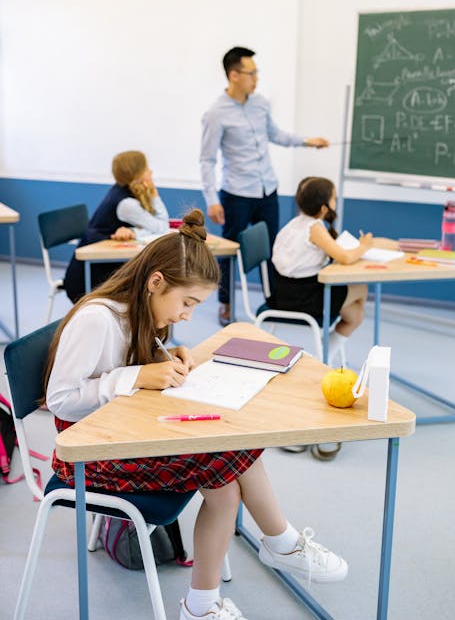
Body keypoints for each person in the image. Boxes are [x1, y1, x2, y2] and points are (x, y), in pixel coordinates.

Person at [44, 209, 348, 620]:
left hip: (124, 428)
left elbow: (125, 368)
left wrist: (165, 356)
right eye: (186, 303)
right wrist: (137, 375)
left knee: (233, 450)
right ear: (155, 282)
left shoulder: (139, 309)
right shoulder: (99, 318)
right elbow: (60, 400)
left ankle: (216, 593)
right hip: (87, 453)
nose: (187, 314)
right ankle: (277, 546)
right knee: (225, 476)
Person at [200, 46, 329, 327]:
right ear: (234, 75)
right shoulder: (215, 113)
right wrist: (211, 198)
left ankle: (276, 301)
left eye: (257, 73)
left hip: (266, 189)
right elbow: (207, 159)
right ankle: (226, 303)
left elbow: (275, 134)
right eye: (251, 73)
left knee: (273, 249)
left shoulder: (260, 104)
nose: (256, 79)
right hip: (236, 194)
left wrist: (307, 141)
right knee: (230, 253)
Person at [269, 176, 399, 360]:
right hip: (301, 298)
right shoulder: (314, 228)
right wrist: (364, 246)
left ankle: (324, 354)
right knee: (360, 292)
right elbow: (345, 257)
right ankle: (324, 356)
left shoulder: (297, 222)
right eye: (334, 198)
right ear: (323, 208)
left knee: (356, 315)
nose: (335, 202)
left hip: (283, 292)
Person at [64, 150, 170, 303]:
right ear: (137, 174)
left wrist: (134, 231)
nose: (151, 172)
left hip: (105, 268)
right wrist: (154, 195)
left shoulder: (123, 191)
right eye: (147, 168)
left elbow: (155, 226)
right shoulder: (126, 204)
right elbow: (161, 226)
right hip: (89, 277)